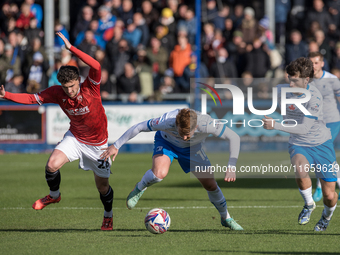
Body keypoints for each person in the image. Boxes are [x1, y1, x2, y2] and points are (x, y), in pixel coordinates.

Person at [0, 32, 114, 231]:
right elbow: (31, 99)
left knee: (102, 187)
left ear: (78, 80)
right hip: (76, 138)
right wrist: (6, 95)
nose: (69, 91)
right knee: (51, 165)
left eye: (72, 86)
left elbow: (96, 66)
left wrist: (72, 49)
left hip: (99, 145)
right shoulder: (56, 92)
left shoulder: (91, 87)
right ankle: (54, 196)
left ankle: (108, 216)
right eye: (65, 87)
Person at [100, 108, 244, 231]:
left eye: (189, 133)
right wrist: (116, 145)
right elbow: (139, 127)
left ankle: (226, 218)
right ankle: (140, 188)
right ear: (176, 124)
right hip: (167, 143)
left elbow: (234, 137)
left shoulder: (207, 123)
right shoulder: (167, 120)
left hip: (192, 150)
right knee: (159, 174)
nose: (185, 136)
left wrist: (231, 165)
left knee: (210, 184)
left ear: (197, 126)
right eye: (182, 132)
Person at [263, 57, 338, 231]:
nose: (290, 83)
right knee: (300, 168)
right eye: (289, 78)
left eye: (295, 80)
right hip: (299, 143)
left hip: (321, 144)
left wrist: (275, 125)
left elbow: (304, 128)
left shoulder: (315, 98)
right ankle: (309, 204)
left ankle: (326, 217)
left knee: (329, 195)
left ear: (306, 80)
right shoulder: (282, 90)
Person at [308, 52, 340, 202]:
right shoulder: (306, 80)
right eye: (311, 63)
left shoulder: (332, 79)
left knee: (322, 152)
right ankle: (322, 186)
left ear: (322, 63)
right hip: (315, 124)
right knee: (322, 155)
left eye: (316, 63)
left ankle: (321, 187)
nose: (313, 66)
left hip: (332, 121)